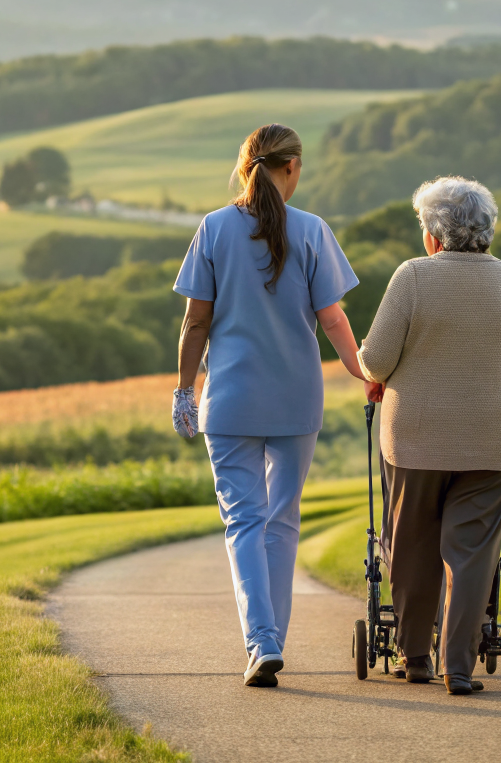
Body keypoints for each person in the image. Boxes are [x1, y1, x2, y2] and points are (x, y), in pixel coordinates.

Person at [173, 123, 371, 688]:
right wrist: (364, 372)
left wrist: (185, 390)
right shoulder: (312, 230)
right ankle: (272, 642)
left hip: (230, 400)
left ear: (243, 167)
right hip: (296, 397)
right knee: (281, 521)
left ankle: (262, 643)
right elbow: (333, 319)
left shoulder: (213, 229)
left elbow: (196, 321)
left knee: (243, 521)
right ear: (293, 169)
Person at [358, 175, 501, 696]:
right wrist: (491, 410)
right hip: (493, 443)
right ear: (484, 231)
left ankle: (413, 657)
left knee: (412, 543)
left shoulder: (413, 277)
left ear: (433, 235)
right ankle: (456, 668)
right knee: (471, 552)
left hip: (415, 440)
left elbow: (375, 359)